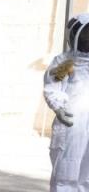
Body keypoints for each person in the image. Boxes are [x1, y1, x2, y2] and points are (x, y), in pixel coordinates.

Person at [45, 14, 89, 192]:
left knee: (87, 174)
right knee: (66, 173)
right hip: (72, 123)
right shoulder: (67, 62)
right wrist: (59, 108)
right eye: (86, 35)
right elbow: (53, 87)